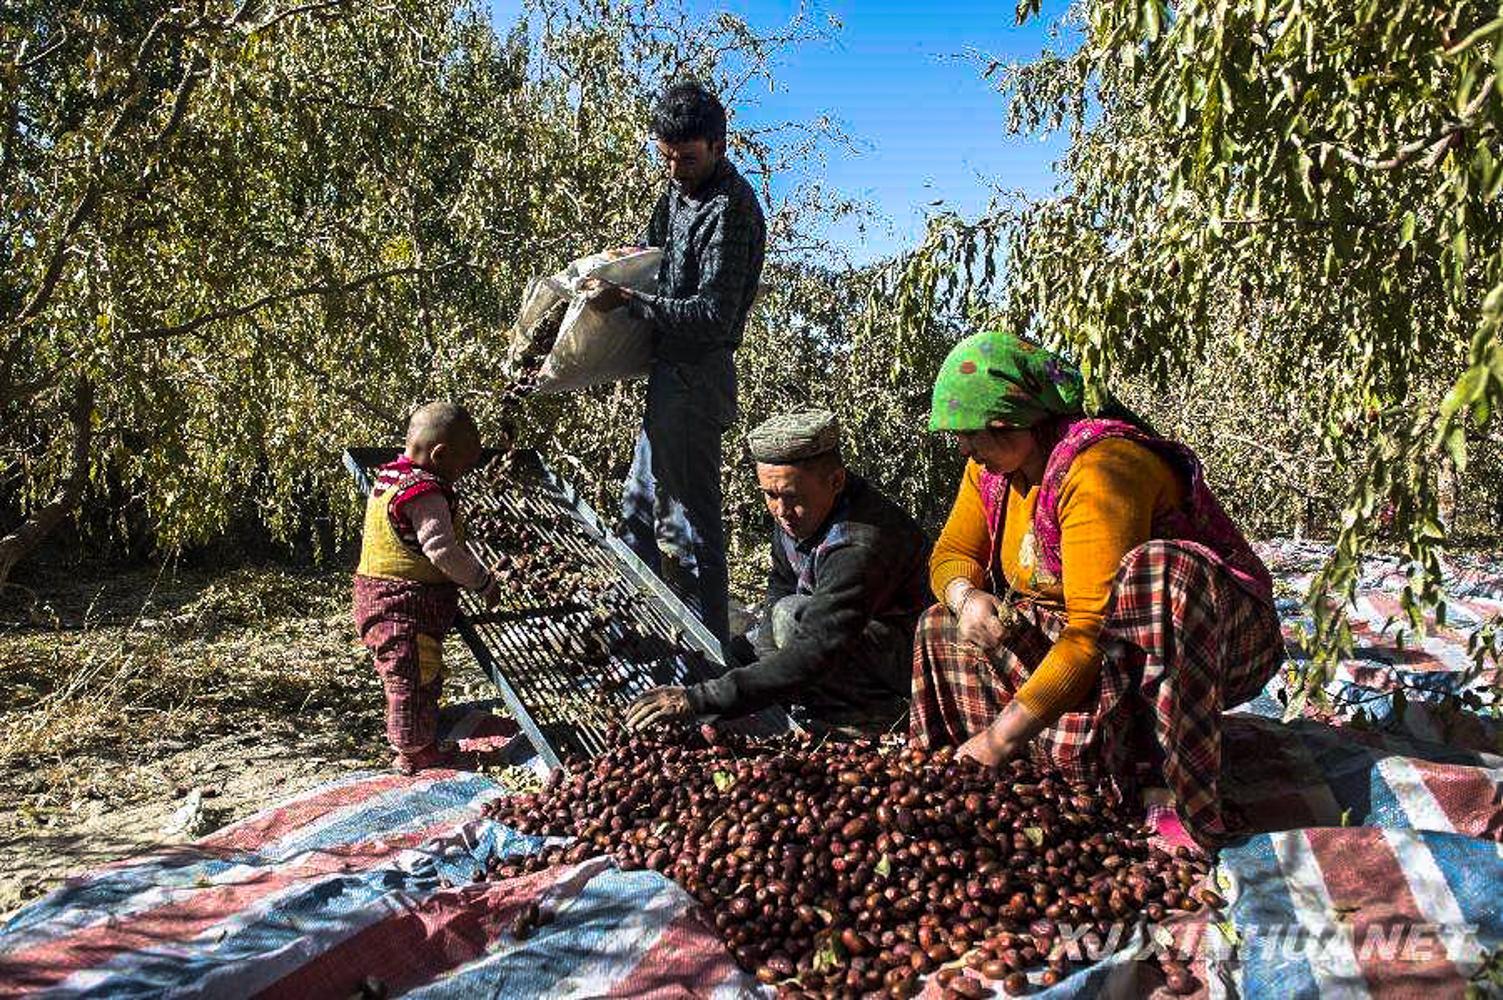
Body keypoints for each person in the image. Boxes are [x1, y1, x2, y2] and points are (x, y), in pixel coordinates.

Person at [912, 331, 1284, 848]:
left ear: (1017, 423)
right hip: (1107, 651)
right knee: (939, 624)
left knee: (1161, 571)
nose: (966, 450)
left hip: (1202, 640)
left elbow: (1089, 631)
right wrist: (964, 597)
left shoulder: (1100, 468)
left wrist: (1002, 736)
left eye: (975, 434)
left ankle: (1172, 791)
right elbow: (951, 554)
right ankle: (1010, 776)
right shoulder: (992, 471)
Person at [582, 80, 767, 648]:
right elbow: (652, 257)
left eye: (687, 158)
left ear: (718, 145)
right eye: (666, 157)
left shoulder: (733, 209)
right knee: (636, 513)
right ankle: (638, 643)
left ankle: (706, 663)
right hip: (666, 376)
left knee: (689, 531)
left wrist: (632, 302)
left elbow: (712, 315)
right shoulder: (676, 195)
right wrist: (621, 268)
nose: (676, 168)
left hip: (697, 379)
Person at [624, 410, 931, 735]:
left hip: (907, 665)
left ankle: (866, 720)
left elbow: (818, 645)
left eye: (790, 496)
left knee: (789, 617)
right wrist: (766, 667)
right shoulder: (801, 511)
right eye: (770, 495)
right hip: (839, 634)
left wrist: (698, 700)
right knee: (748, 644)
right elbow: (780, 586)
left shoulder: (860, 542)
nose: (781, 511)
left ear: (836, 481)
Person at [353, 402, 502, 774]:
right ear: (439, 455)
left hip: (377, 597)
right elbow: (441, 550)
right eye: (462, 467)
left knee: (416, 673)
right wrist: (481, 580)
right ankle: (415, 753)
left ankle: (420, 742)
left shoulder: (390, 477)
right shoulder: (425, 491)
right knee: (411, 680)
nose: (461, 476)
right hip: (404, 606)